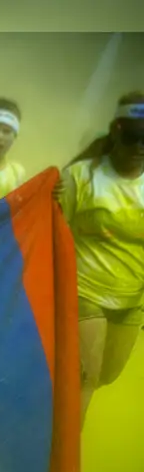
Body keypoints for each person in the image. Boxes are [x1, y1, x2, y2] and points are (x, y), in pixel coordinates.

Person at [54, 92, 144, 427]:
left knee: (106, 376)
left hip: (131, 300)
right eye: (133, 136)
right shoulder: (81, 176)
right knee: (85, 380)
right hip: (84, 291)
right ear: (116, 130)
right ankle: (61, 459)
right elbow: (53, 232)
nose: (140, 147)